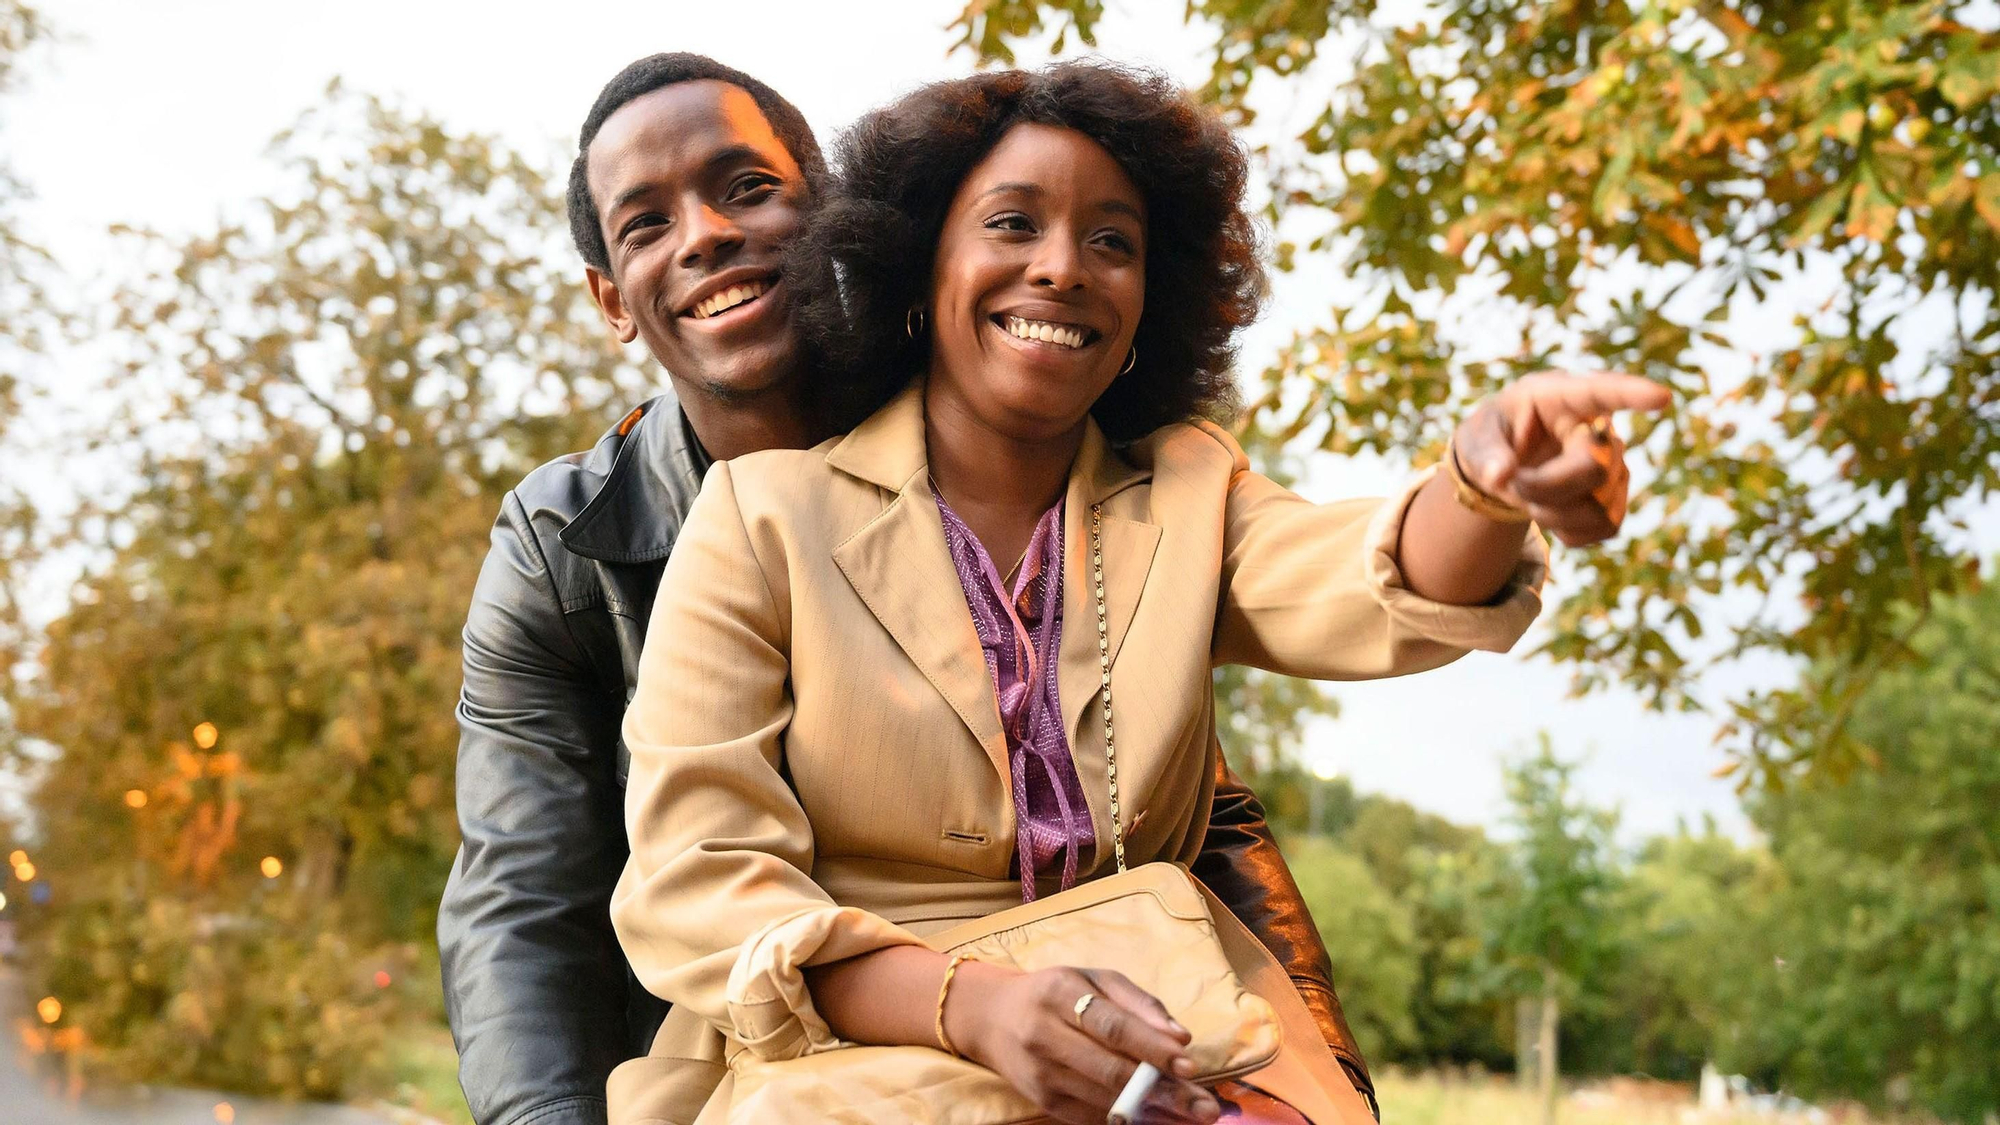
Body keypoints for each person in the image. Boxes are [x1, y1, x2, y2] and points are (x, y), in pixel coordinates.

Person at [607, 61, 1668, 1125]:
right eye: (1012, 225)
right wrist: (969, 1007)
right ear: (917, 271)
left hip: (1173, 1030)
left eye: (1110, 241)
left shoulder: (1190, 491)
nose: (1063, 268)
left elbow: (1359, 581)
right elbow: (702, 882)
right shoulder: (761, 515)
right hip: (853, 1060)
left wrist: (1479, 485)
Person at [437, 53, 1381, 1125]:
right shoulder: (558, 549)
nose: (702, 234)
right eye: (645, 224)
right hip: (757, 1038)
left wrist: (1318, 1080)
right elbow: (523, 901)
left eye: (747, 187)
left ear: (835, 216)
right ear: (611, 299)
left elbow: (1183, 800)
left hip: (1098, 1019)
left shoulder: (1008, 427)